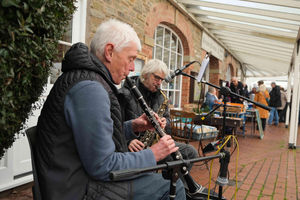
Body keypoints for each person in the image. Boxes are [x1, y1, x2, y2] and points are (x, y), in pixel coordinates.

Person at [35, 19, 186, 200]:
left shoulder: (86, 78)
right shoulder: (90, 89)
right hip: (76, 188)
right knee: (171, 187)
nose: (131, 68)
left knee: (153, 179)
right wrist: (153, 154)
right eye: (130, 59)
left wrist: (133, 127)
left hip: (73, 174)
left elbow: (89, 138)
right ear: (109, 52)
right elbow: (103, 165)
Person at [119, 59, 198, 170]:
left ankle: (177, 186)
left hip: (155, 143)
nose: (159, 83)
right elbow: (114, 127)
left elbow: (167, 118)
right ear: (146, 74)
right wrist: (128, 141)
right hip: (134, 148)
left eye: (161, 79)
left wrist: (165, 122)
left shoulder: (162, 97)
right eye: (156, 78)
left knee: (191, 152)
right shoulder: (125, 93)